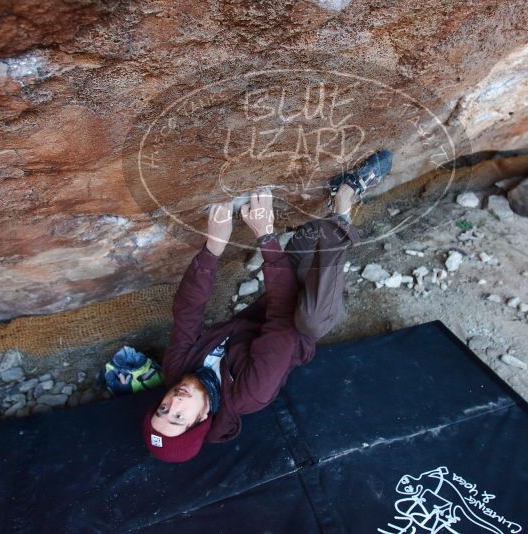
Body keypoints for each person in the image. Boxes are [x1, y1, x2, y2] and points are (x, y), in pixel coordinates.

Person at [142, 151, 393, 462]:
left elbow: (188, 311)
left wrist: (213, 247)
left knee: (308, 243)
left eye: (163, 409)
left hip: (269, 306)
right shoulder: (249, 395)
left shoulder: (177, 370)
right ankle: (345, 198)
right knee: (313, 317)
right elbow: (282, 321)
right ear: (202, 419)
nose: (174, 403)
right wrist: (266, 235)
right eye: (178, 418)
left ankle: (323, 223)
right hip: (295, 326)